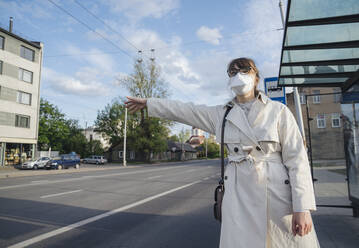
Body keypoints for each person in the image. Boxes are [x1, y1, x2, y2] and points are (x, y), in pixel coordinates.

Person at [125, 57, 320, 248]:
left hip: (277, 196)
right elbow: (185, 110)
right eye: (233, 72)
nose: (238, 75)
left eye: (245, 70)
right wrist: (149, 103)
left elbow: (298, 160)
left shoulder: (278, 111)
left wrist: (302, 207)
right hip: (238, 195)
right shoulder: (221, 114)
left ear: (256, 78)